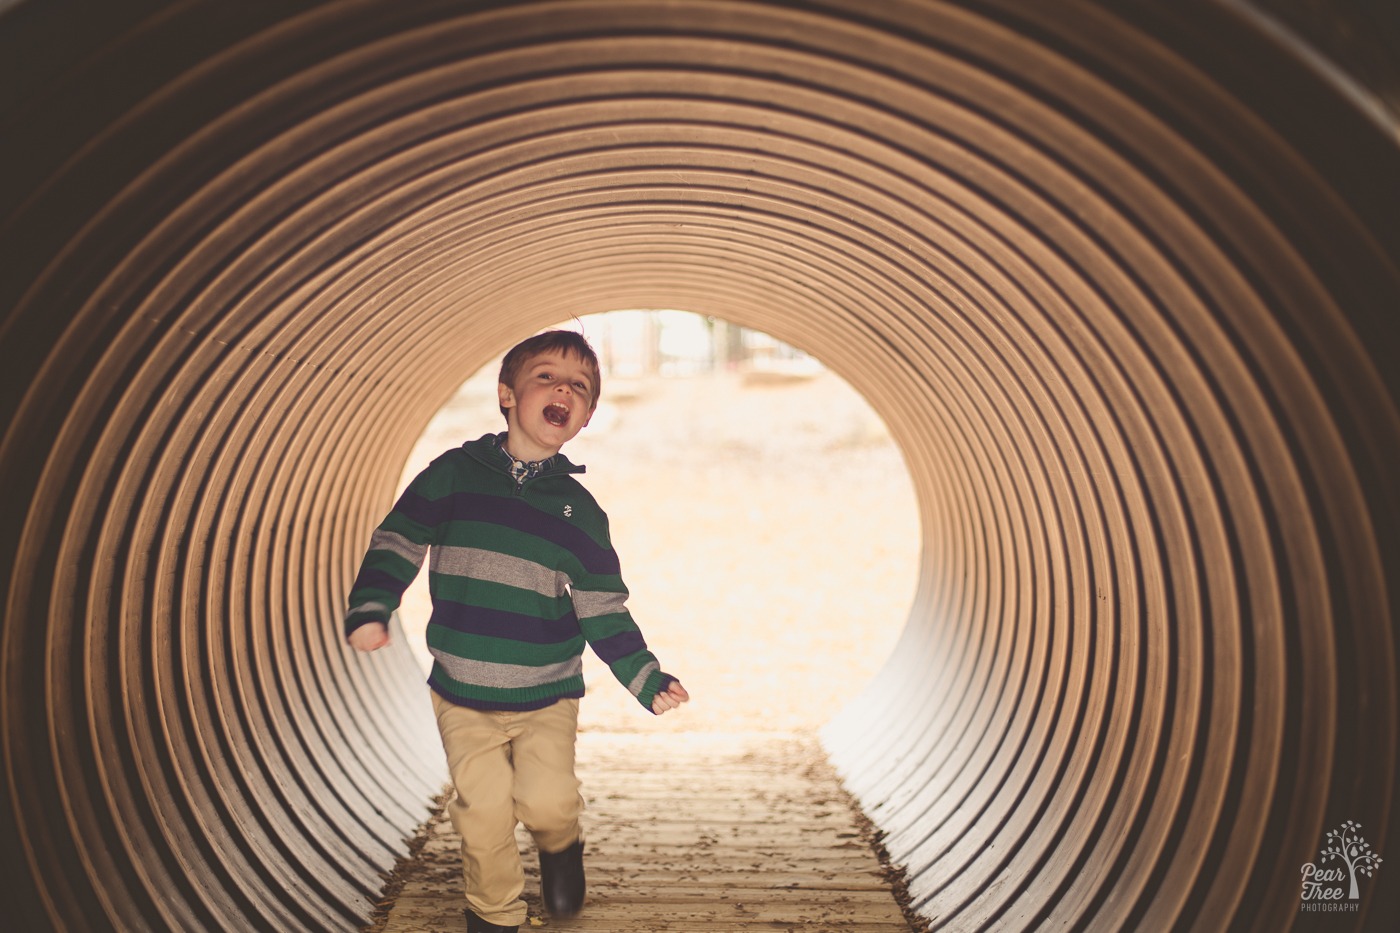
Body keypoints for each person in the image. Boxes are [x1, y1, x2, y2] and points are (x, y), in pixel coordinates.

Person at [344, 330, 689, 933]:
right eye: (546, 376)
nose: (564, 389)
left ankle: (561, 847)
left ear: (585, 419)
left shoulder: (579, 513)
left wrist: (645, 676)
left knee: (548, 802)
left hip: (546, 692)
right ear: (507, 394)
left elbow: (603, 605)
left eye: (580, 386)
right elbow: (398, 539)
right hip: (462, 690)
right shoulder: (453, 475)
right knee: (481, 816)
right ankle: (495, 917)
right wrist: (372, 606)